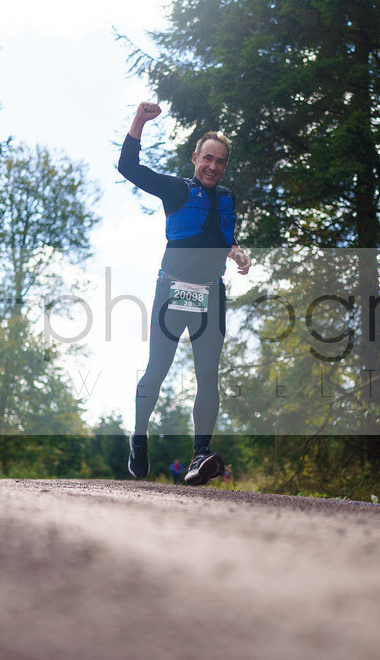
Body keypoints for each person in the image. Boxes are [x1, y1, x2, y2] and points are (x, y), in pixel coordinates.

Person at [118, 101, 250, 486]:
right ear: (195, 157)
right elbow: (129, 168)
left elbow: (216, 235)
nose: (213, 166)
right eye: (207, 158)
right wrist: (139, 121)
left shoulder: (227, 198)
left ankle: (199, 456)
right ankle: (139, 438)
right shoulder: (177, 190)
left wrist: (235, 251)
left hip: (211, 295)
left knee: (208, 374)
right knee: (157, 371)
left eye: (220, 161)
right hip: (172, 291)